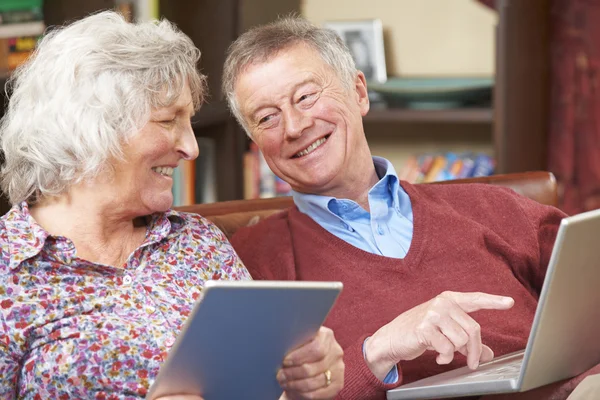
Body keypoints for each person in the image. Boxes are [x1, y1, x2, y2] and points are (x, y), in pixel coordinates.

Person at [222, 17, 600, 400]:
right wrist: (381, 349)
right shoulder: (252, 263)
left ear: (359, 93)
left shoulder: (492, 207)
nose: (294, 126)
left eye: (306, 96)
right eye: (266, 117)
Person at [0, 11, 345, 399]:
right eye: (168, 120)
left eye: (190, 122)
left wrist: (305, 387)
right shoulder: (8, 269)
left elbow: (256, 387)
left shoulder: (197, 243)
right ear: (91, 128)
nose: (191, 147)